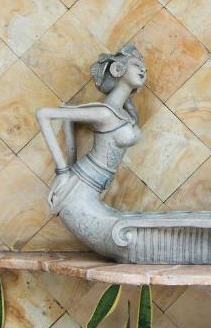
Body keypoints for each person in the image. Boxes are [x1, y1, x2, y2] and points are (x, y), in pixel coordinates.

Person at [35, 44, 145, 214]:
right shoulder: (105, 113)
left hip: (97, 188)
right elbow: (43, 114)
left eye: (144, 68)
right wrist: (64, 173)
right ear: (119, 69)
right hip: (81, 186)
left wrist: (71, 164)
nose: (143, 70)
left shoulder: (126, 114)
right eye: (137, 65)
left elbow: (69, 116)